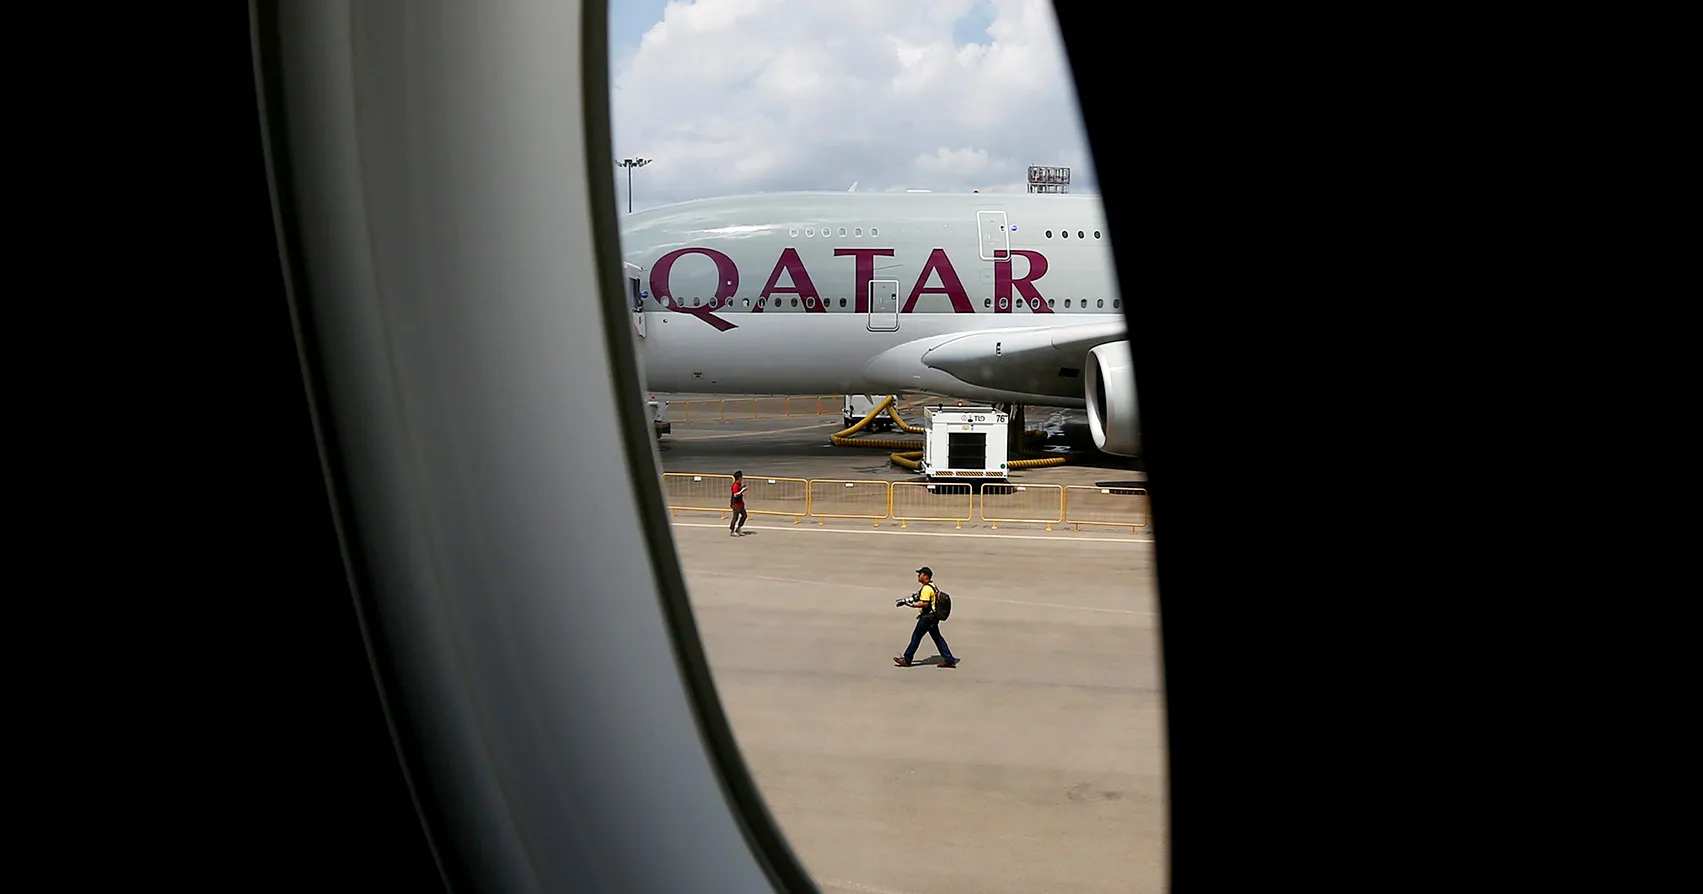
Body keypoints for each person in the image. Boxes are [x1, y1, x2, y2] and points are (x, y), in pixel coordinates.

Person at [893, 566, 958, 668]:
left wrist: (913, 605)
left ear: (926, 576)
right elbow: (917, 596)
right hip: (933, 618)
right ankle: (949, 659)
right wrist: (904, 601)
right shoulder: (931, 586)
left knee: (916, 637)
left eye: (920, 574)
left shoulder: (927, 589)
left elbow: (925, 603)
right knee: (937, 638)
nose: (918, 576)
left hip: (927, 618)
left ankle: (907, 659)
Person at [729, 470, 748, 536]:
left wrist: (742, 488)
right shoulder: (735, 485)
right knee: (735, 517)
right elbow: (735, 494)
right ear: (739, 478)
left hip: (740, 503)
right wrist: (742, 490)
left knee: (744, 515)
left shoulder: (739, 484)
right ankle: (732, 530)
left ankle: (739, 528)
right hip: (736, 504)